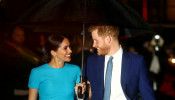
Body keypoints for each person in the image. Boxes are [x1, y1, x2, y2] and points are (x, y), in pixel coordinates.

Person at [82, 25, 156, 100]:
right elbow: (83, 94)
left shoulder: (136, 61)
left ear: (108, 39)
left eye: (96, 41)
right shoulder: (91, 61)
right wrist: (80, 94)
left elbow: (148, 95)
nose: (94, 45)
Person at [28, 34, 85, 100]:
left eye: (70, 47)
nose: (70, 51)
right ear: (53, 52)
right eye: (65, 48)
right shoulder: (37, 72)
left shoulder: (75, 70)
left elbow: (82, 98)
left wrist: (82, 94)